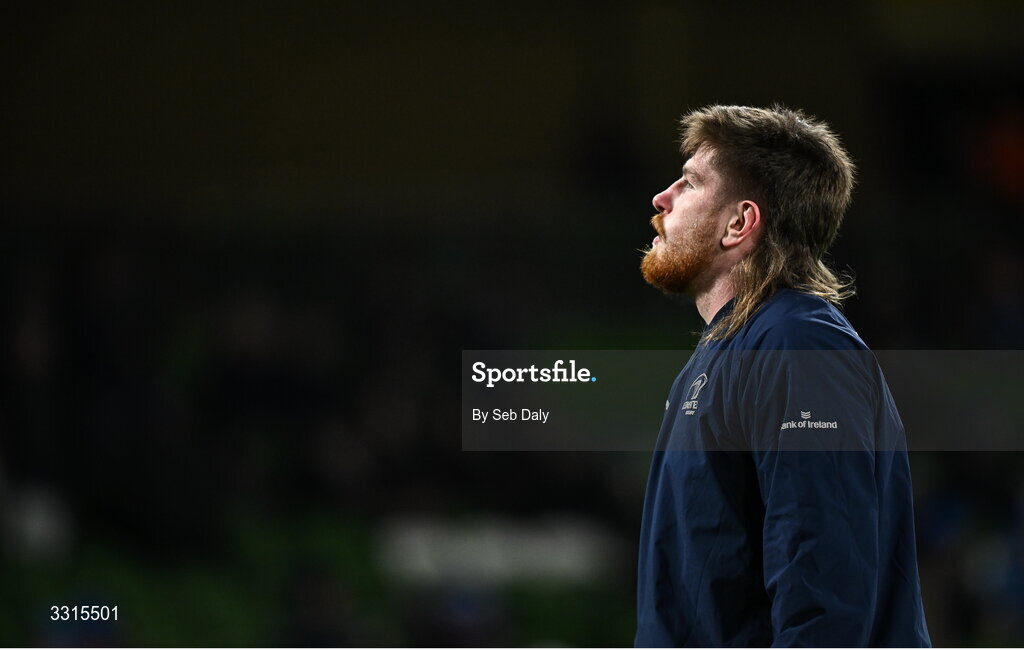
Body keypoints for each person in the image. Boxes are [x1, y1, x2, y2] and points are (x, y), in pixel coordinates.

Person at [635, 105, 931, 647]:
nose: (663, 197)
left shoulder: (798, 345)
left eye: (691, 182)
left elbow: (822, 580)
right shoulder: (720, 355)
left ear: (739, 223)